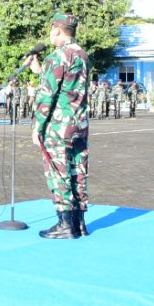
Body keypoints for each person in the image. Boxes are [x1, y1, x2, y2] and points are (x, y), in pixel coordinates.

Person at [27, 12, 90, 240]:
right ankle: (79, 223)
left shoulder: (57, 56)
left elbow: (47, 94)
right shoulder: (81, 54)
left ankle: (65, 225)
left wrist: (37, 127)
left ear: (57, 30)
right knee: (78, 171)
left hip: (58, 126)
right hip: (79, 124)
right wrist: (37, 66)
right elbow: (63, 83)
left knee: (58, 172)